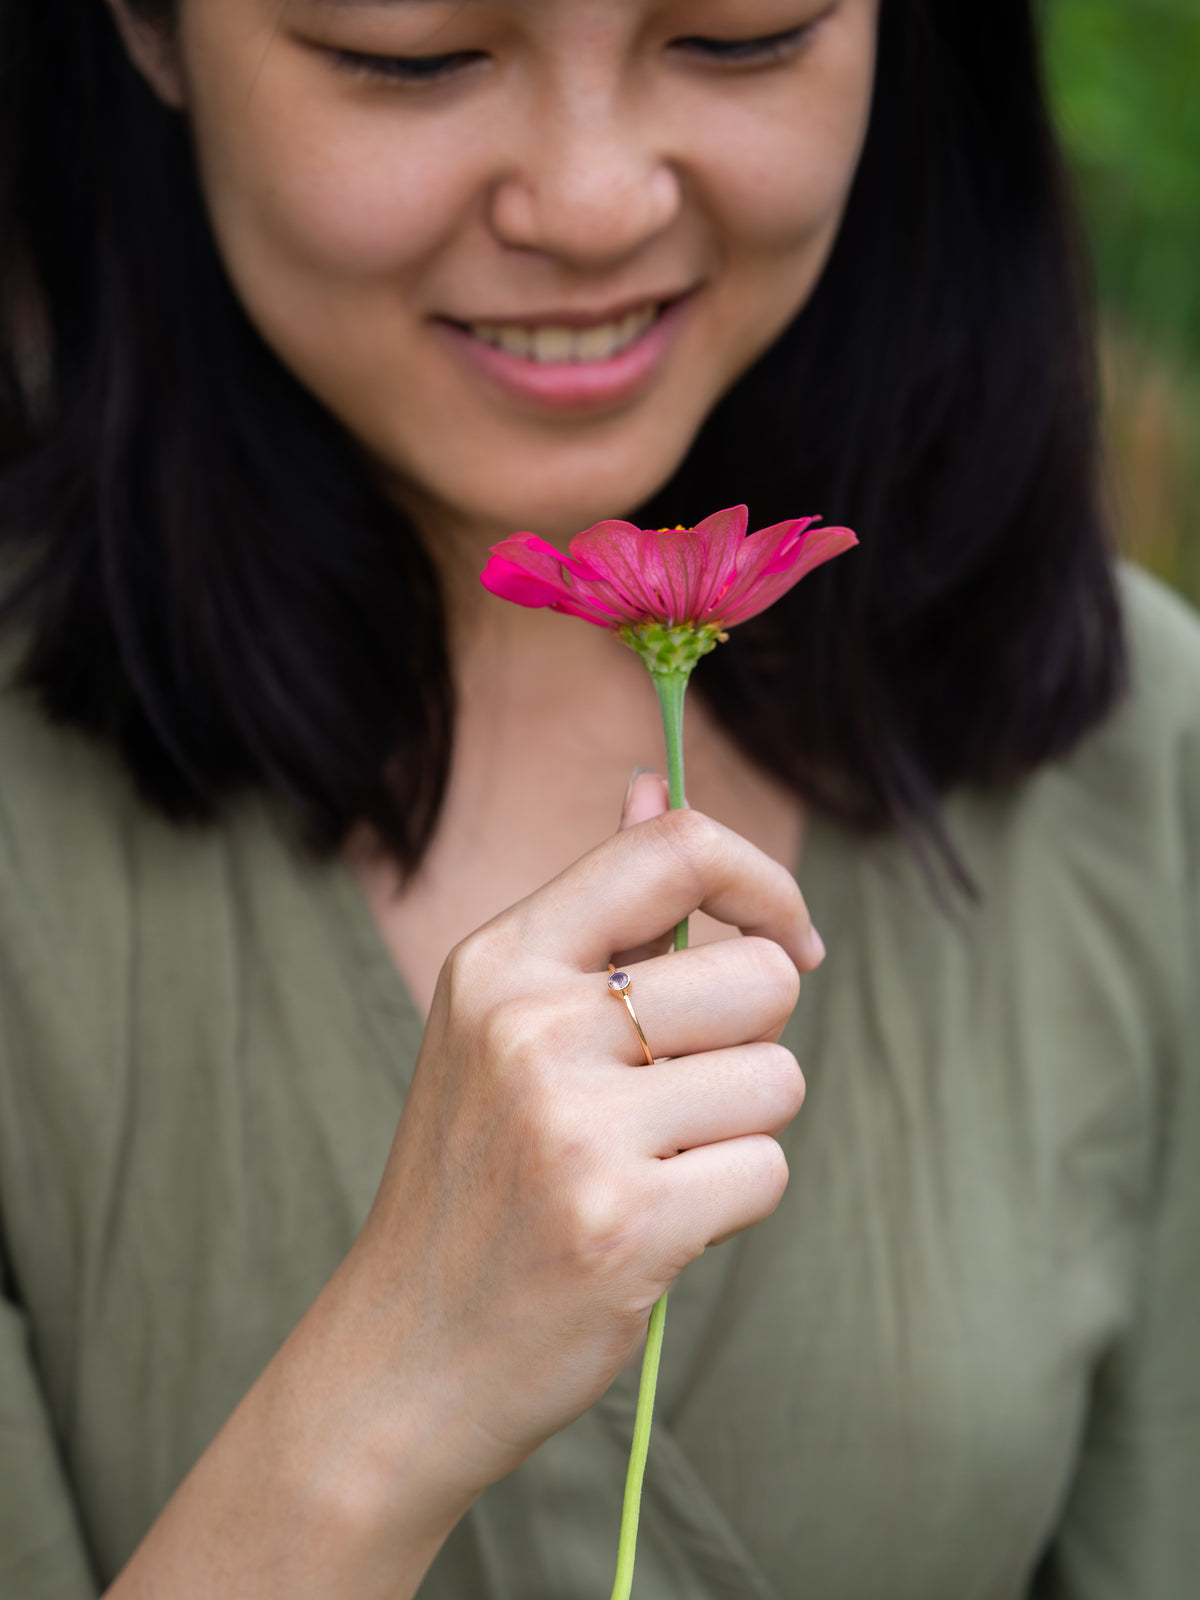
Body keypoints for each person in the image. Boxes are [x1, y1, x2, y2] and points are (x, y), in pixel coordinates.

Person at [0, 0, 1197, 1594]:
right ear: (142, 30)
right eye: (413, 56)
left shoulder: (1146, 768)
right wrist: (394, 1385)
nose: (591, 204)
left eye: (745, 34)